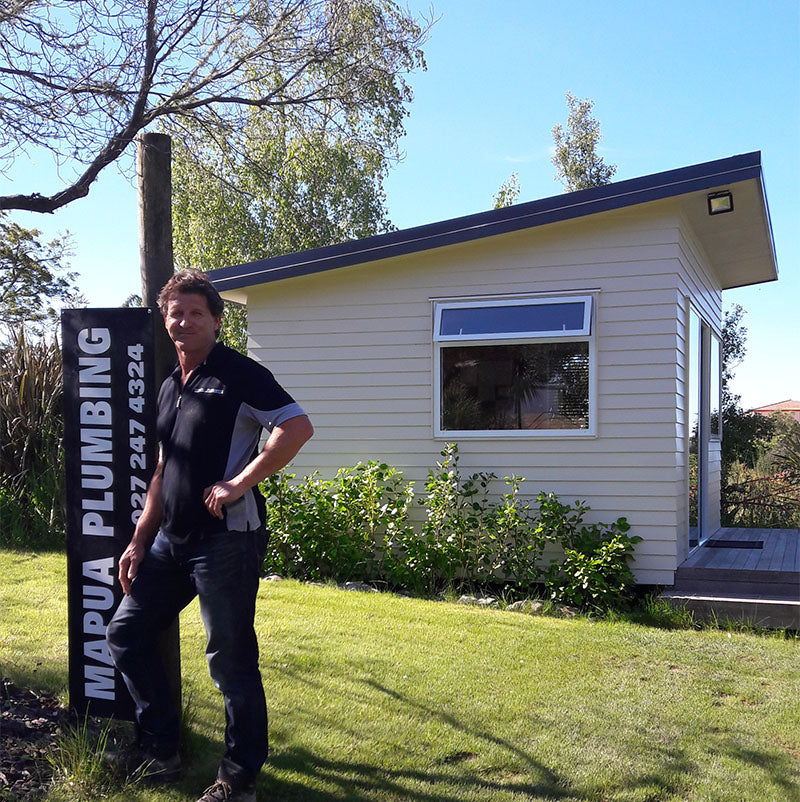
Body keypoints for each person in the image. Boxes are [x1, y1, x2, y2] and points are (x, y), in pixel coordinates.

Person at [106, 270, 313, 802]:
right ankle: (160, 749)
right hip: (169, 541)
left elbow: (296, 427)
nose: (184, 321)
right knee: (125, 633)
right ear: (165, 318)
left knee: (229, 657)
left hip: (227, 540)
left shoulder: (240, 374)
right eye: (176, 312)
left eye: (197, 312)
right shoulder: (171, 385)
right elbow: (161, 471)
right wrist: (137, 540)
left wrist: (239, 482)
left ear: (216, 321)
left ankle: (237, 776)